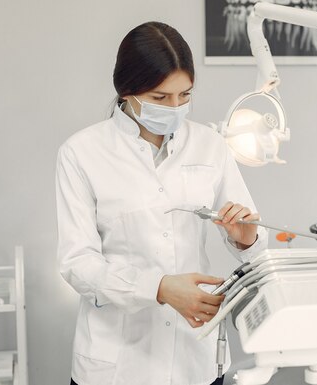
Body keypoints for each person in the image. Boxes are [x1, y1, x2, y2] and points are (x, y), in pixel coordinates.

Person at [55, 21, 268, 385]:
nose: (175, 107)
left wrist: (245, 236)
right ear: (126, 90)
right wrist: (158, 287)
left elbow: (252, 249)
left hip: (194, 357)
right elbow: (78, 263)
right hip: (116, 364)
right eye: (159, 97)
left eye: (185, 95)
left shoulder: (209, 145)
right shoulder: (81, 153)